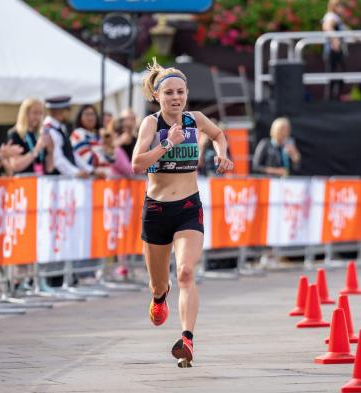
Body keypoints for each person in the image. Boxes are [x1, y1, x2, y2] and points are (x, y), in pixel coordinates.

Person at [132, 59, 233, 367]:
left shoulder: (196, 119)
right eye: (168, 94)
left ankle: (187, 339)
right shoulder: (152, 124)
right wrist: (166, 143)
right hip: (157, 210)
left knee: (187, 273)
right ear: (157, 97)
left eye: (180, 92)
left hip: (189, 207)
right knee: (159, 284)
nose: (175, 98)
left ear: (187, 93)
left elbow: (218, 134)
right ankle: (160, 298)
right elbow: (137, 163)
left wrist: (222, 155)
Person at [43, 96, 89, 178]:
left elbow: (71, 153)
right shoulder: (49, 130)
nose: (69, 114)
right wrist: (76, 172)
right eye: (68, 110)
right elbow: (57, 160)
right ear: (60, 111)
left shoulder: (60, 128)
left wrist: (89, 170)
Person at [7, 98, 54, 175]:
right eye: (35, 113)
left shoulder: (40, 134)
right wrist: (37, 148)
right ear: (25, 113)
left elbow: (49, 168)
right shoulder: (15, 134)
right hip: (24, 183)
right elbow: (15, 165)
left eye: (40, 113)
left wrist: (50, 151)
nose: (38, 117)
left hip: (41, 181)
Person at [322, 0, 349, 101]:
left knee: (340, 74)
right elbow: (327, 27)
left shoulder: (338, 18)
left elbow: (346, 30)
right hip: (332, 51)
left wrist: (356, 36)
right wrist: (335, 39)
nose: (343, 8)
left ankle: (335, 98)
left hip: (338, 51)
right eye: (341, 6)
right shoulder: (331, 16)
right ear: (335, 7)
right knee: (332, 76)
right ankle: (330, 101)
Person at [71, 104, 102, 170]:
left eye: (93, 114)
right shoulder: (78, 134)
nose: (90, 118)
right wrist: (106, 152)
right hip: (90, 178)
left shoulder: (98, 136)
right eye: (87, 114)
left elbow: (113, 160)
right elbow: (89, 161)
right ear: (80, 118)